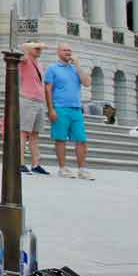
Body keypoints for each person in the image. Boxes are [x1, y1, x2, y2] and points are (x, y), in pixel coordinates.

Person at [44, 43, 93, 180]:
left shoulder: (75, 69)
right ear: (58, 52)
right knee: (60, 139)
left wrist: (78, 65)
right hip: (60, 108)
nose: (68, 52)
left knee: (81, 140)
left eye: (69, 50)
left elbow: (87, 83)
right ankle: (62, 168)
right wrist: (51, 109)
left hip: (76, 109)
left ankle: (82, 169)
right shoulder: (52, 69)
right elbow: (48, 89)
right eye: (65, 50)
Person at [18, 42, 49, 175]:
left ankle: (36, 164)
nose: (39, 50)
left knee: (35, 134)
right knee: (24, 132)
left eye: (40, 48)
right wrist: (30, 46)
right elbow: (22, 50)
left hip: (39, 101)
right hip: (28, 99)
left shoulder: (40, 64)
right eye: (37, 48)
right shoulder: (25, 60)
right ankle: (20, 162)